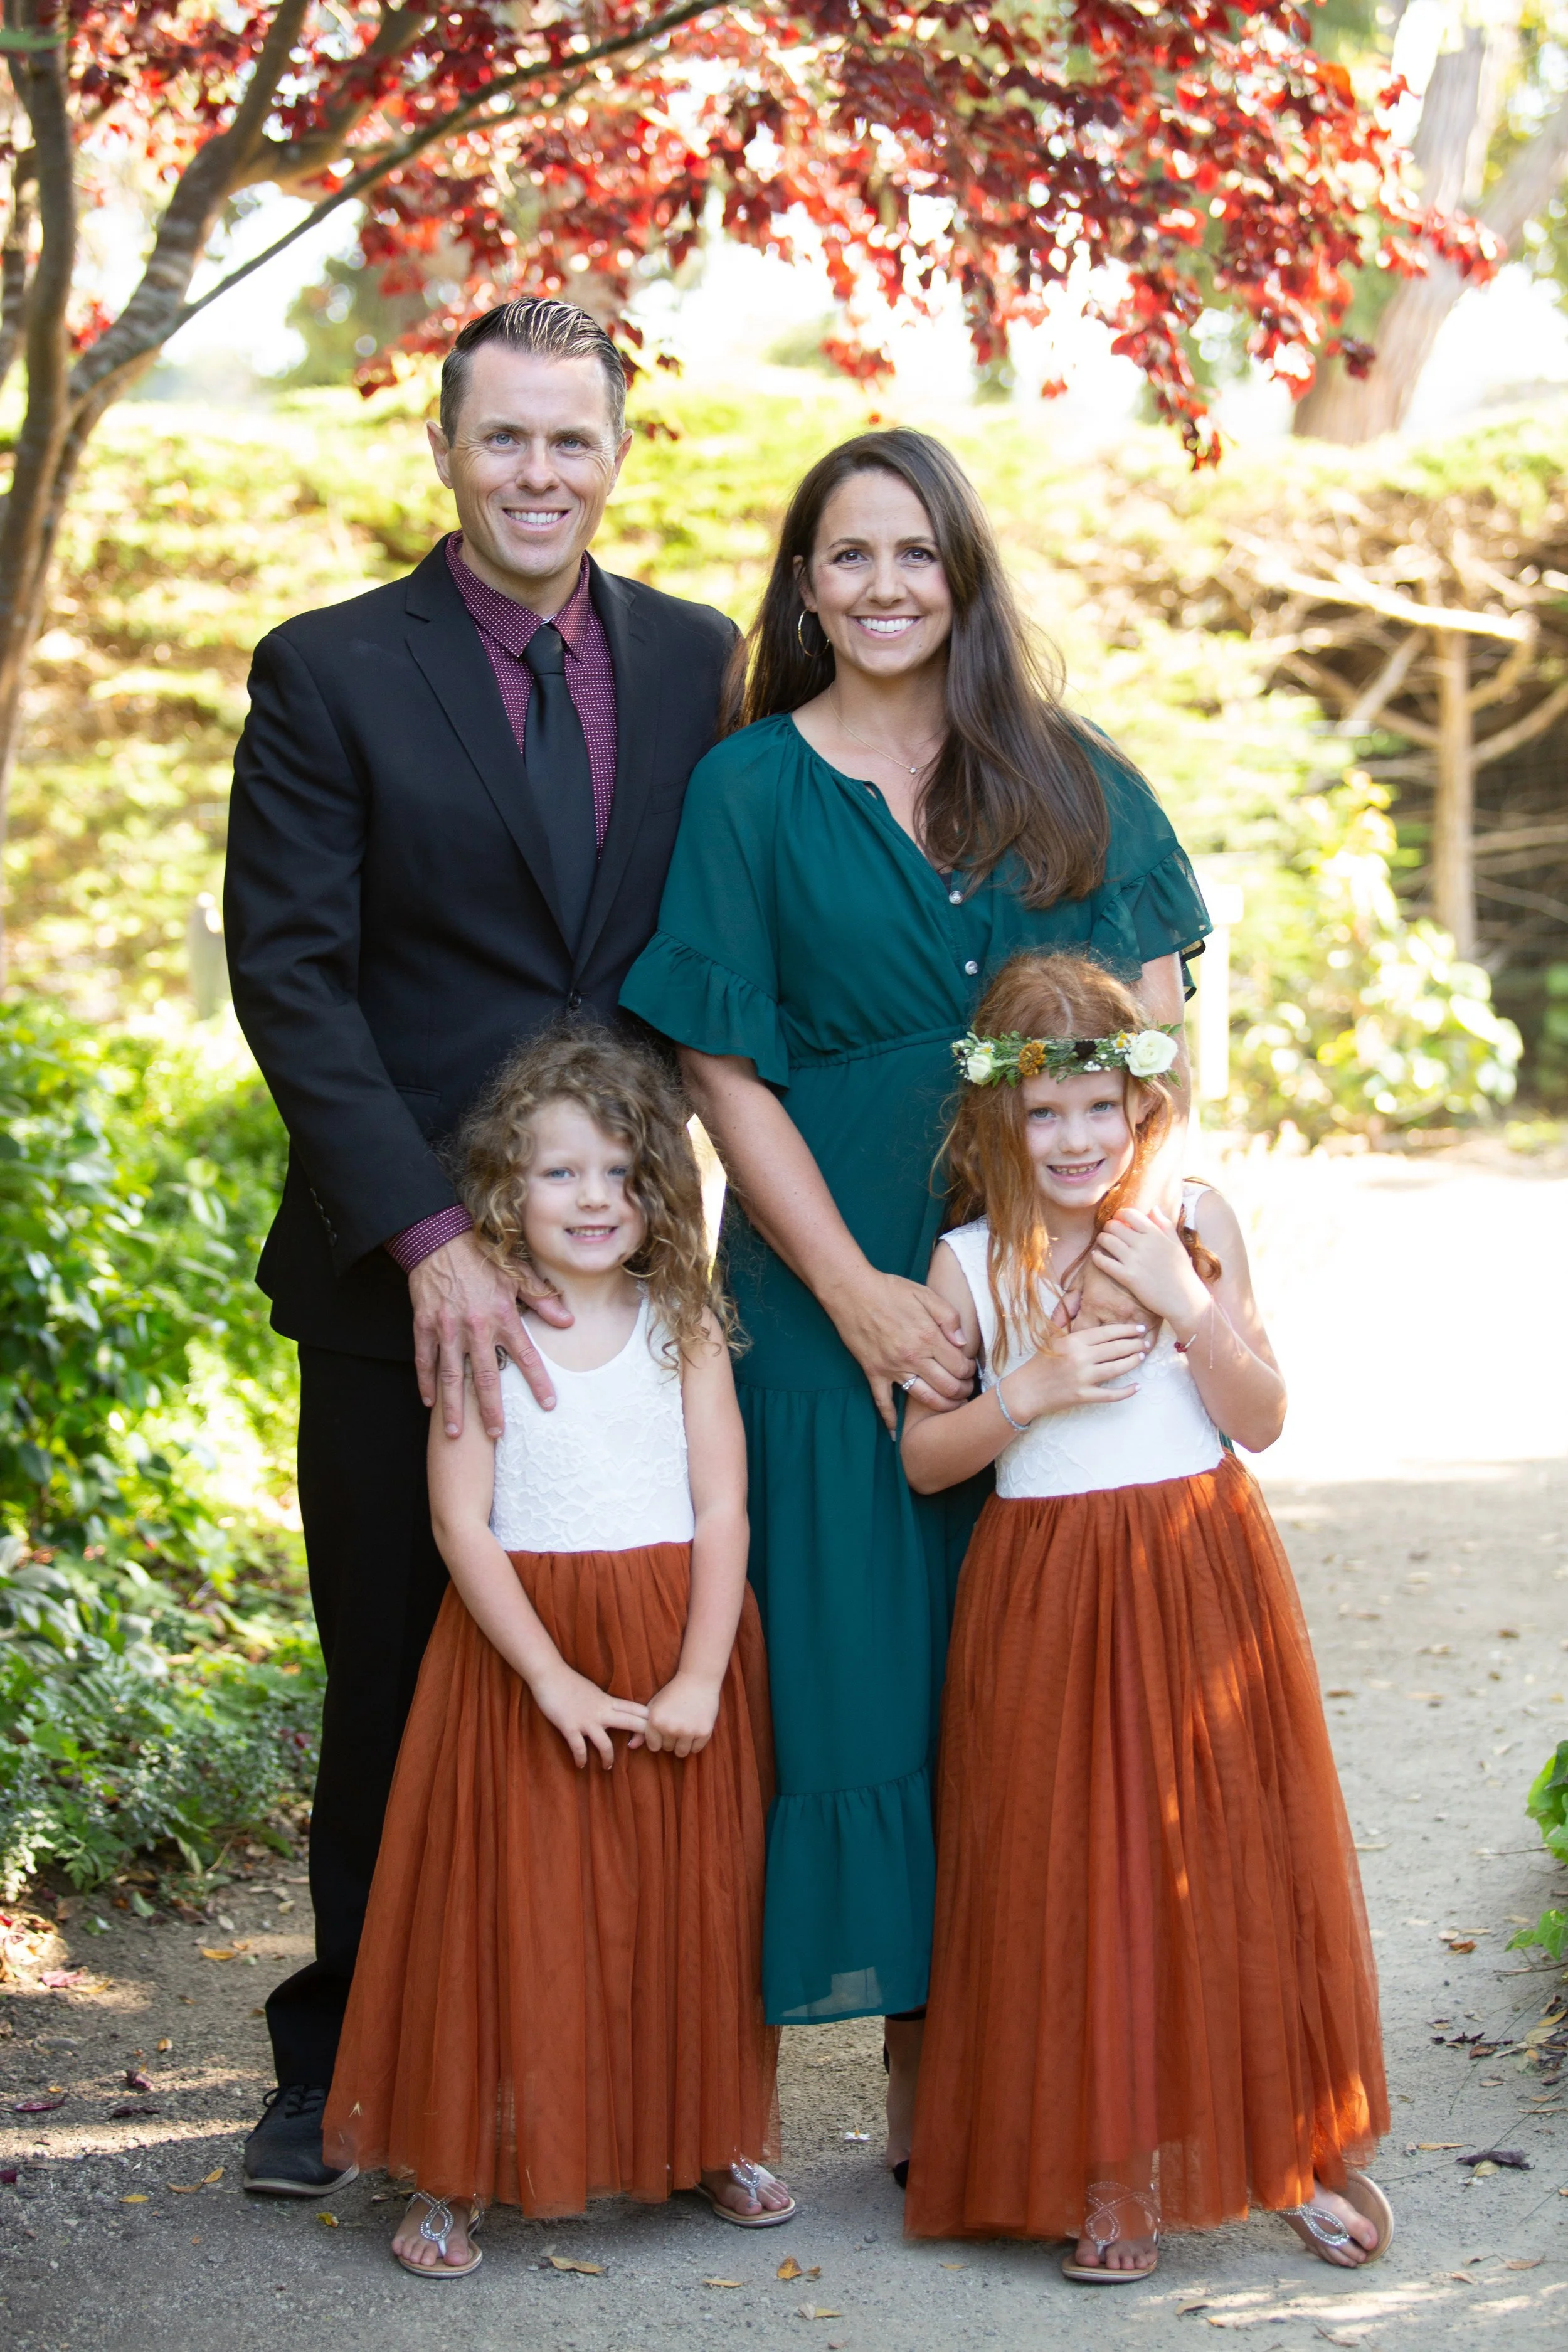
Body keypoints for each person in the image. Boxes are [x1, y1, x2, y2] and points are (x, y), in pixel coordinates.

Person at [620, 428, 1211, 2180]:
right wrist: (862, 1295)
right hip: (828, 1293)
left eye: (913, 554)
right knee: (854, 1671)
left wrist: (1120, 1260)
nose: (882, 585)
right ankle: (866, 2068)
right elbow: (721, 1065)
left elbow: (1158, 1034)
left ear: (962, 574)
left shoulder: (1069, 777)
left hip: (1037, 1286)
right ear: (802, 585)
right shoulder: (745, 788)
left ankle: (998, 2061)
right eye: (846, 555)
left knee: (1020, 1668)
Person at [223, 295, 738, 2195]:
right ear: (447, 449)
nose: (540, 474)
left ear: (618, 454)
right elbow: (290, 974)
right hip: (403, 1282)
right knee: (397, 1671)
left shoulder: (697, 660)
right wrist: (434, 1234)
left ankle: (617, 2056)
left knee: (622, 1641)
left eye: (572, 441)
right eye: (505, 439)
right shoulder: (332, 668)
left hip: (629, 1269)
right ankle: (339, 2055)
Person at [901, 951, 1391, 2279]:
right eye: (1041, 1112)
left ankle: (1278, 2141)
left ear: (1140, 1104)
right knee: (1070, 1870)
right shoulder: (965, 1262)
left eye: (1095, 1108)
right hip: (1048, 1586)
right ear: (996, 1117)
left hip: (1195, 1564)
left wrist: (1189, 1304)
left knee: (1227, 1844)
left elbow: (1262, 1419)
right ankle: (1107, 2173)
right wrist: (1036, 1386)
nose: (1071, 1138)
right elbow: (925, 1459)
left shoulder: (1190, 1219)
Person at [322, 1027, 790, 2274]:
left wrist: (698, 1672)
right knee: (501, 1909)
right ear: (499, 1190)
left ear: (658, 1192)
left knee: (682, 1902)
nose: (595, 1199)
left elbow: (723, 1507)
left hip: (668, 1637)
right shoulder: (488, 1329)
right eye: (560, 1174)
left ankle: (706, 2135)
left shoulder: (681, 1322)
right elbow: (458, 1520)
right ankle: (456, 2170)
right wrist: (545, 1674)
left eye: (622, 1174)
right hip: (521, 1654)